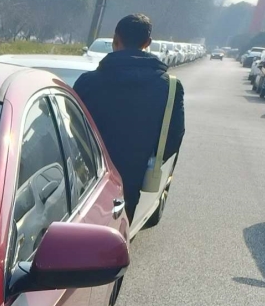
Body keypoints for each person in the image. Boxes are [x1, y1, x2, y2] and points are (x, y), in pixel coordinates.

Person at [73, 13, 185, 223]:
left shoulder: (88, 82)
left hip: (86, 177)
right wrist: (144, 160)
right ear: (147, 43)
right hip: (132, 178)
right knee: (117, 231)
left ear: (115, 40)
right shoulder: (170, 87)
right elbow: (174, 136)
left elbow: (71, 127)